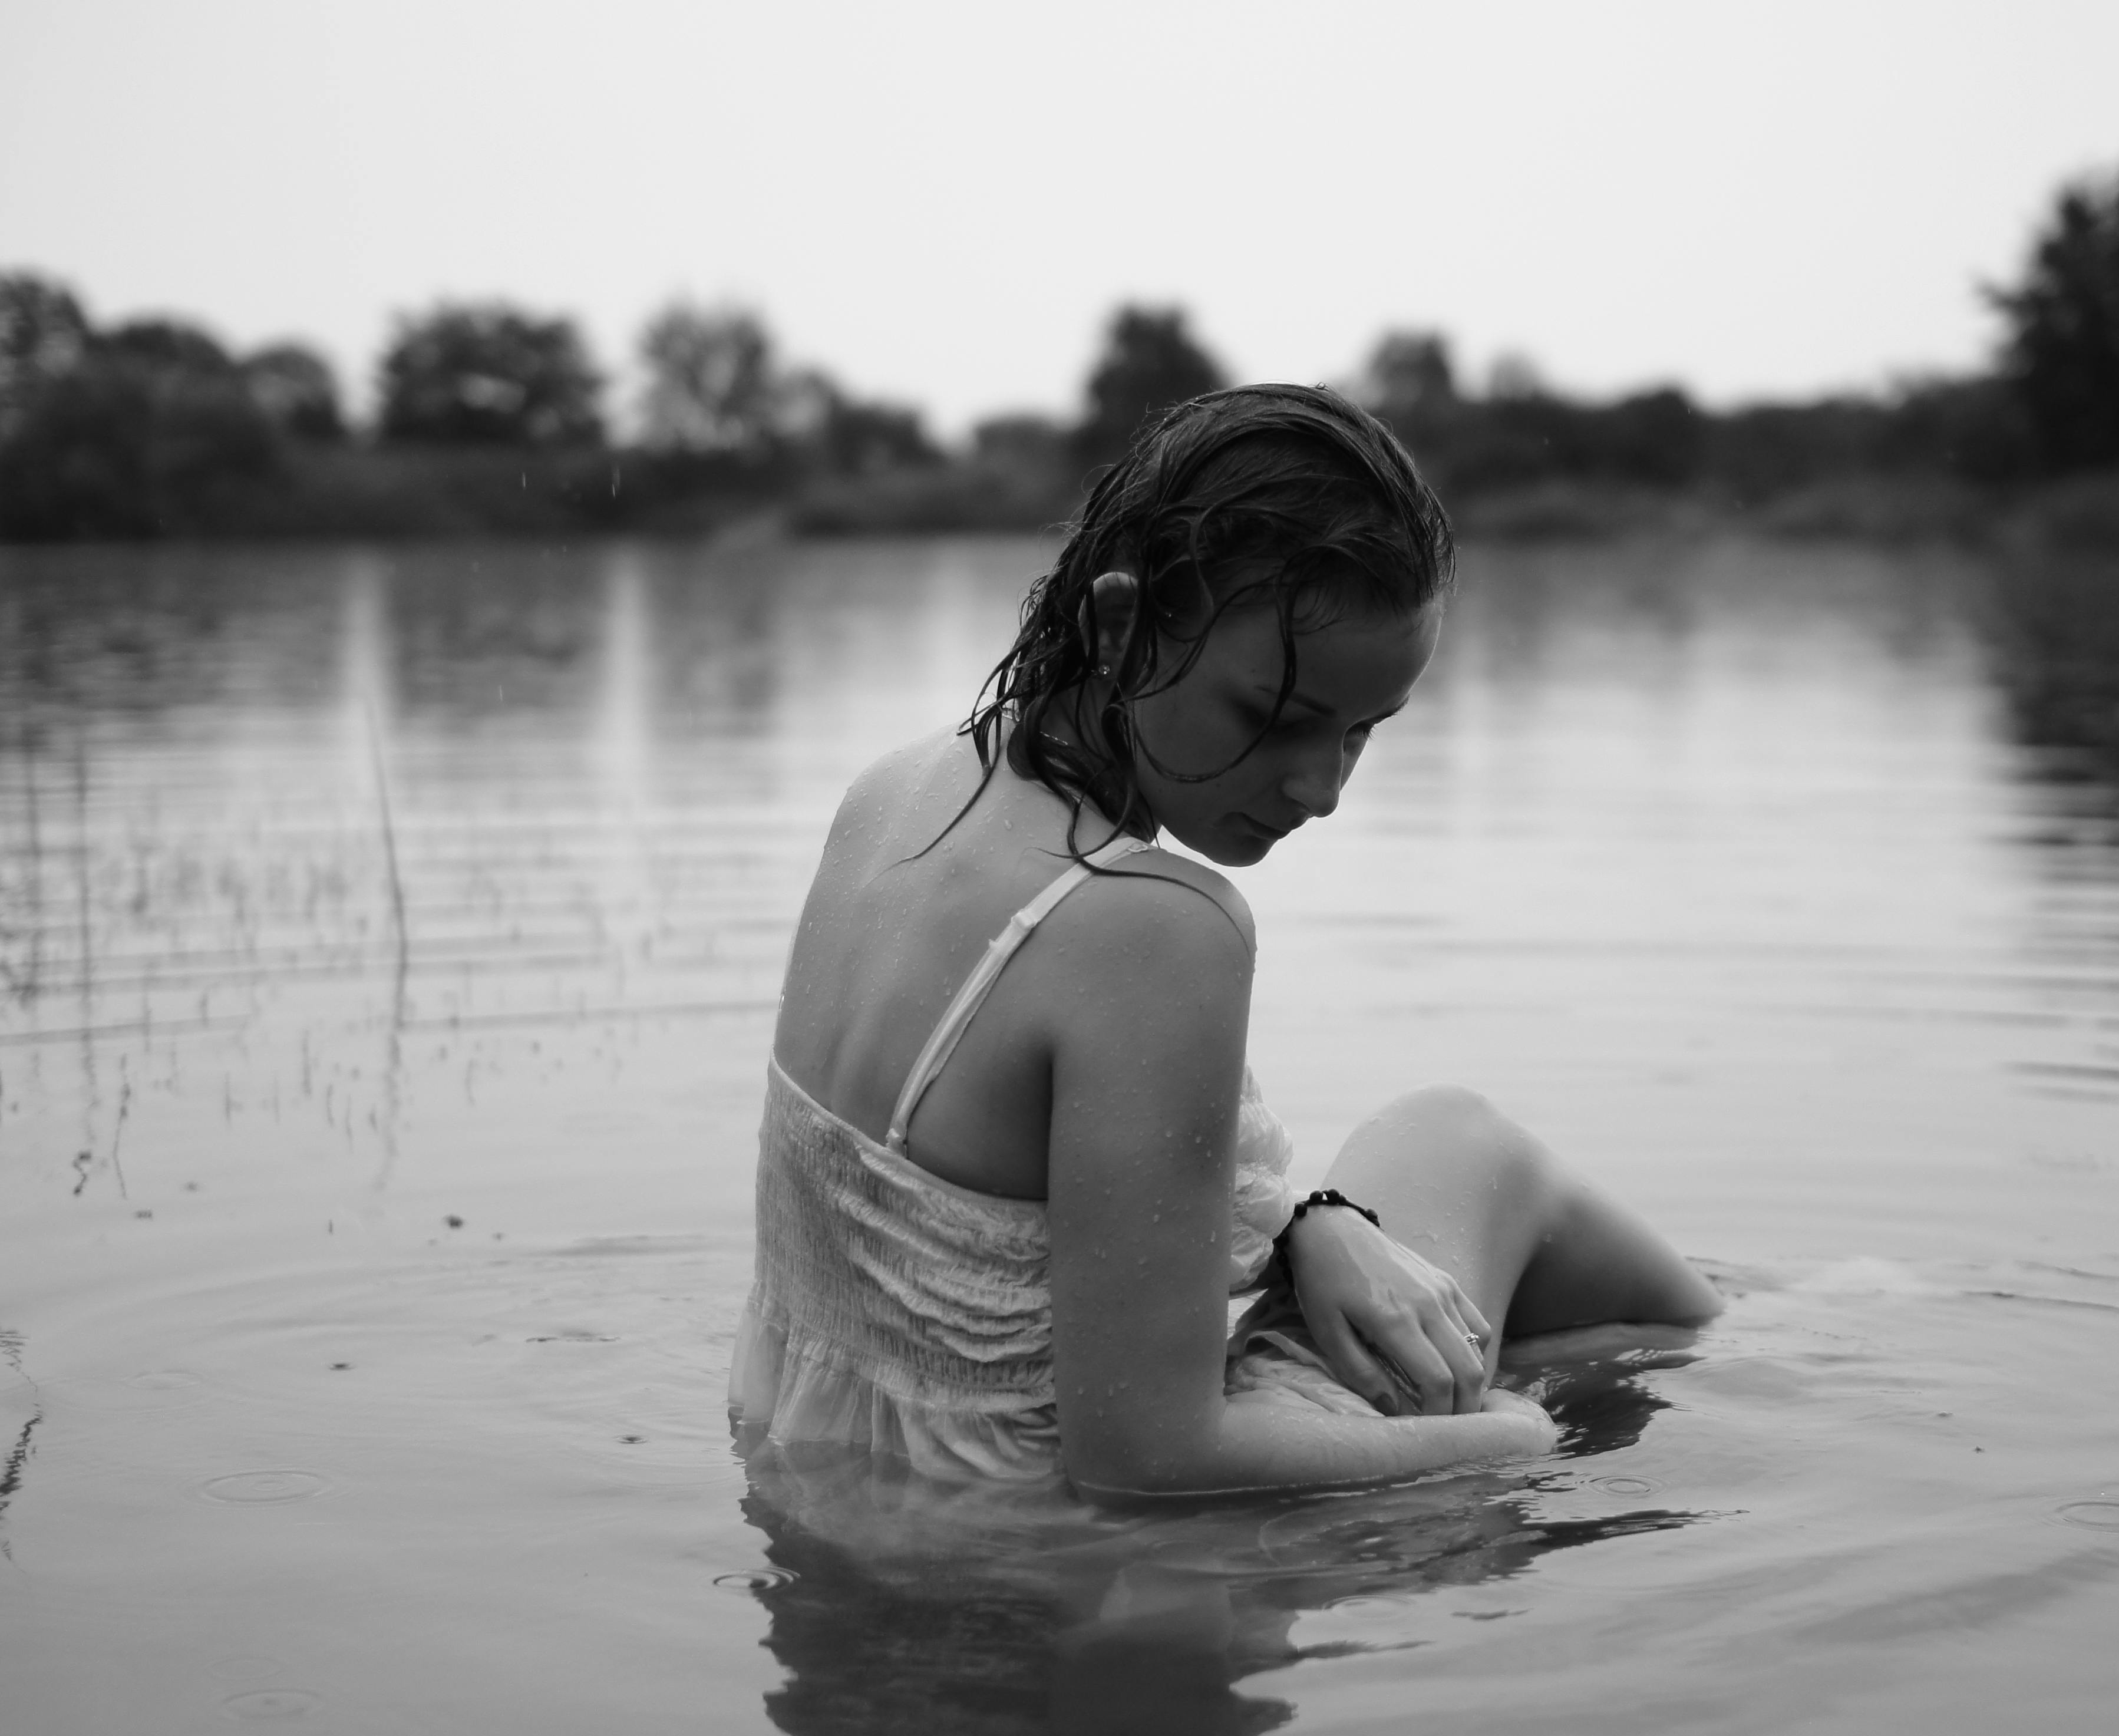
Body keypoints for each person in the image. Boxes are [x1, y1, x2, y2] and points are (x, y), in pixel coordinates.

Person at [731, 384, 1720, 1500]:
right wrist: (1513, 1441)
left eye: (1362, 730)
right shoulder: (1150, 923)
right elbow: (1148, 1465)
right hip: (1019, 1529)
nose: (1321, 788)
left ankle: (1732, 1330)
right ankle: (1765, 1354)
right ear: (1118, 626)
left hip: (810, 1476)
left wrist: (1307, 1225)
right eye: (1275, 718)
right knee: (1476, 1156)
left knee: (1443, 1148)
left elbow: (987, 1206)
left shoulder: (895, 792)